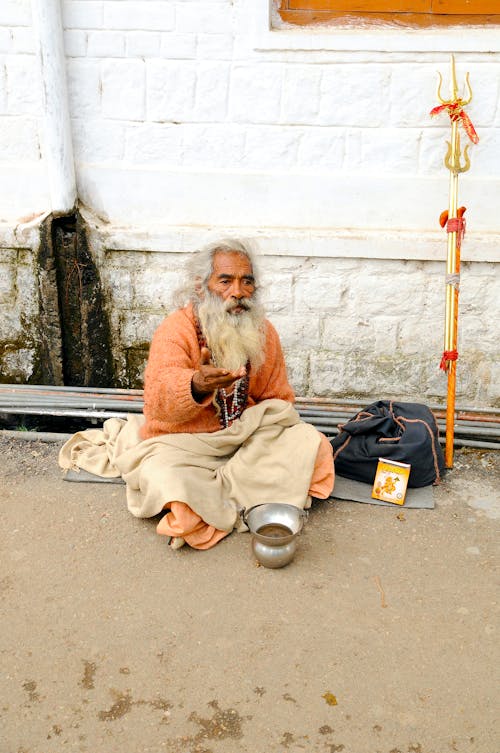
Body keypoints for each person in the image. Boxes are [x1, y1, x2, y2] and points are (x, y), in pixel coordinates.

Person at [139, 239, 334, 549]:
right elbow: (158, 403)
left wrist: (256, 431)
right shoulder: (175, 330)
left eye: (247, 281)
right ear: (202, 287)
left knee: (312, 444)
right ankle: (252, 497)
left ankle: (221, 500)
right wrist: (196, 385)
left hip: (244, 441)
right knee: (166, 478)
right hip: (185, 445)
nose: (238, 292)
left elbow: (278, 402)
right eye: (225, 281)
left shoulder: (264, 332)